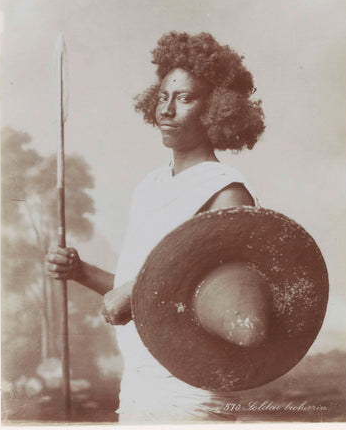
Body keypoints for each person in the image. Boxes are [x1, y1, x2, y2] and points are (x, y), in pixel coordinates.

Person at [45, 31, 265, 423]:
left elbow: (227, 306)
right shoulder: (151, 186)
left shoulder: (226, 191)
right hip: (137, 384)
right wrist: (80, 272)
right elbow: (144, 289)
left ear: (215, 109)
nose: (167, 109)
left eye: (184, 98)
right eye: (163, 96)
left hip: (192, 390)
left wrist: (134, 291)